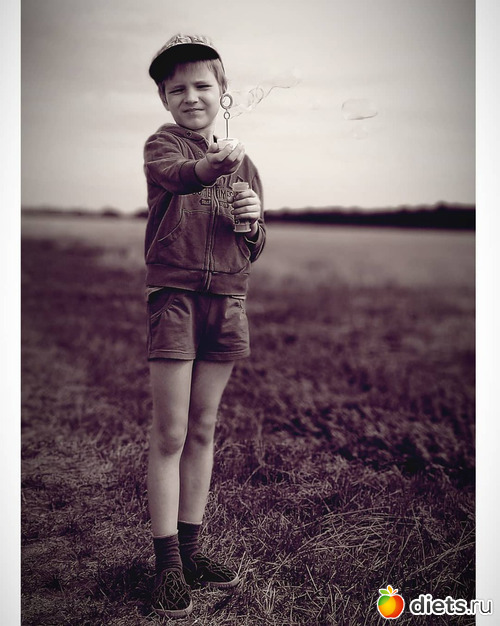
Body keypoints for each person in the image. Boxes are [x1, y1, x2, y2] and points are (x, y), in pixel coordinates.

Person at [143, 34, 266, 619]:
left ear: (224, 93)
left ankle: (192, 552)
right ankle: (167, 562)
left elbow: (253, 244)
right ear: (165, 99)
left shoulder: (247, 164)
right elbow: (180, 176)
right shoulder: (162, 146)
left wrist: (253, 222)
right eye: (177, 90)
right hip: (176, 300)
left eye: (202, 86)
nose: (191, 97)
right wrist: (210, 165)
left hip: (228, 301)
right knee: (170, 433)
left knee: (204, 428)